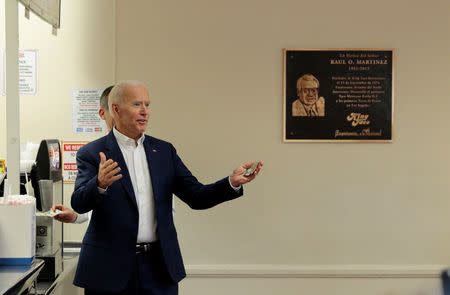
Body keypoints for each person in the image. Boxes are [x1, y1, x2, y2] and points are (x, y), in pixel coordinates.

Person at [71, 80, 263, 295]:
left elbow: (196, 196)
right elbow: (78, 203)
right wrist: (98, 184)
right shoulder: (92, 153)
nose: (145, 112)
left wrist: (231, 182)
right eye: (137, 105)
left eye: (147, 105)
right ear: (115, 109)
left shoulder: (163, 151)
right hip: (108, 269)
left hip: (158, 268)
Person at [52, 85, 114, 223]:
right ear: (103, 114)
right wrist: (75, 216)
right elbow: (92, 207)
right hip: (106, 242)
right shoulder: (91, 153)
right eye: (115, 108)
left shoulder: (152, 152)